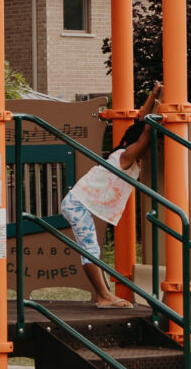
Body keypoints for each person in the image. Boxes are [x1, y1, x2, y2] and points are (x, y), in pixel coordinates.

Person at [60, 84, 164, 307]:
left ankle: (104, 294)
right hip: (77, 203)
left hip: (81, 204)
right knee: (90, 249)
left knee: (92, 248)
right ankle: (103, 296)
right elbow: (146, 129)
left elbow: (141, 121)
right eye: (152, 148)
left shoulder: (130, 159)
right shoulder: (125, 157)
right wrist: (159, 111)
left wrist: (154, 96)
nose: (154, 153)